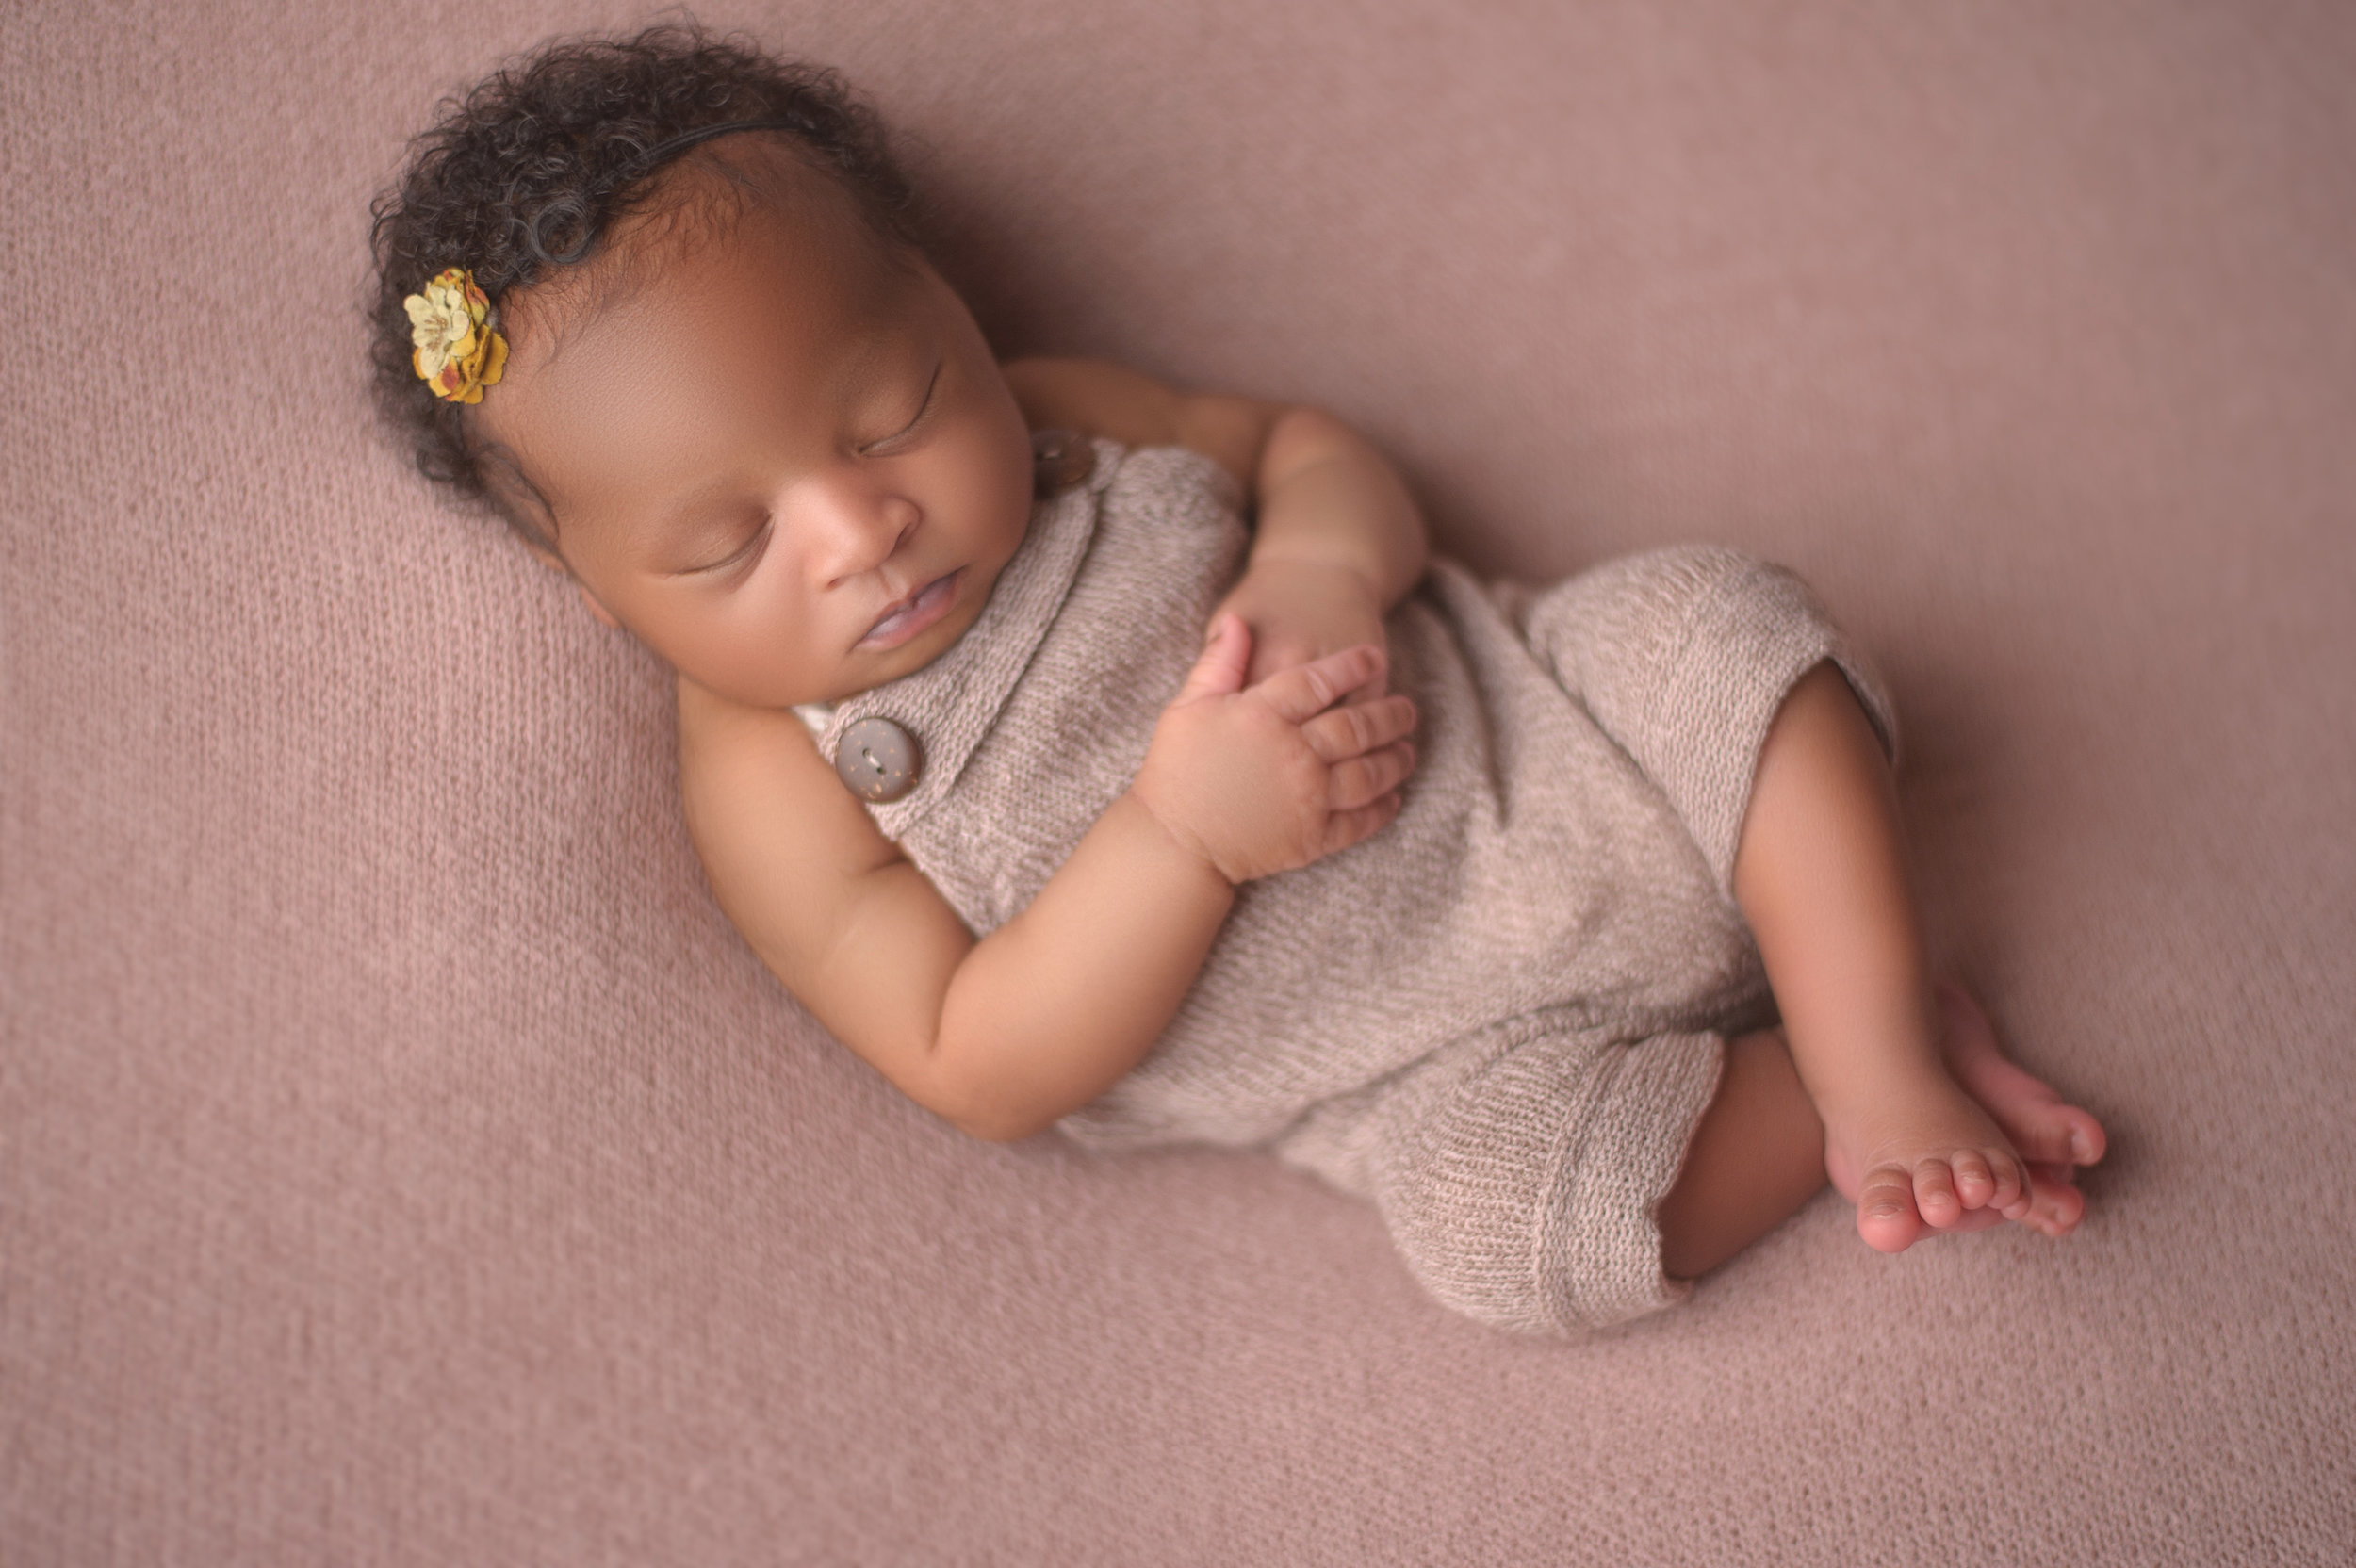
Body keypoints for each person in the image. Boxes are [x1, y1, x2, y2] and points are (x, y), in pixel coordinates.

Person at [368, 24, 2104, 1335]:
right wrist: (1179, 842)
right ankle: (1831, 1072)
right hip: (1428, 1066)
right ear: (586, 587)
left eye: (889, 409)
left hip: (1553, 747)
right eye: (724, 544)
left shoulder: (1061, 416)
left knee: (1714, 623)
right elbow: (971, 1061)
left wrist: (1318, 563)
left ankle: (1875, 1039)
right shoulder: (769, 775)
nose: (860, 527)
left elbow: (1296, 444)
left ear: (951, 312)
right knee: (1516, 1243)